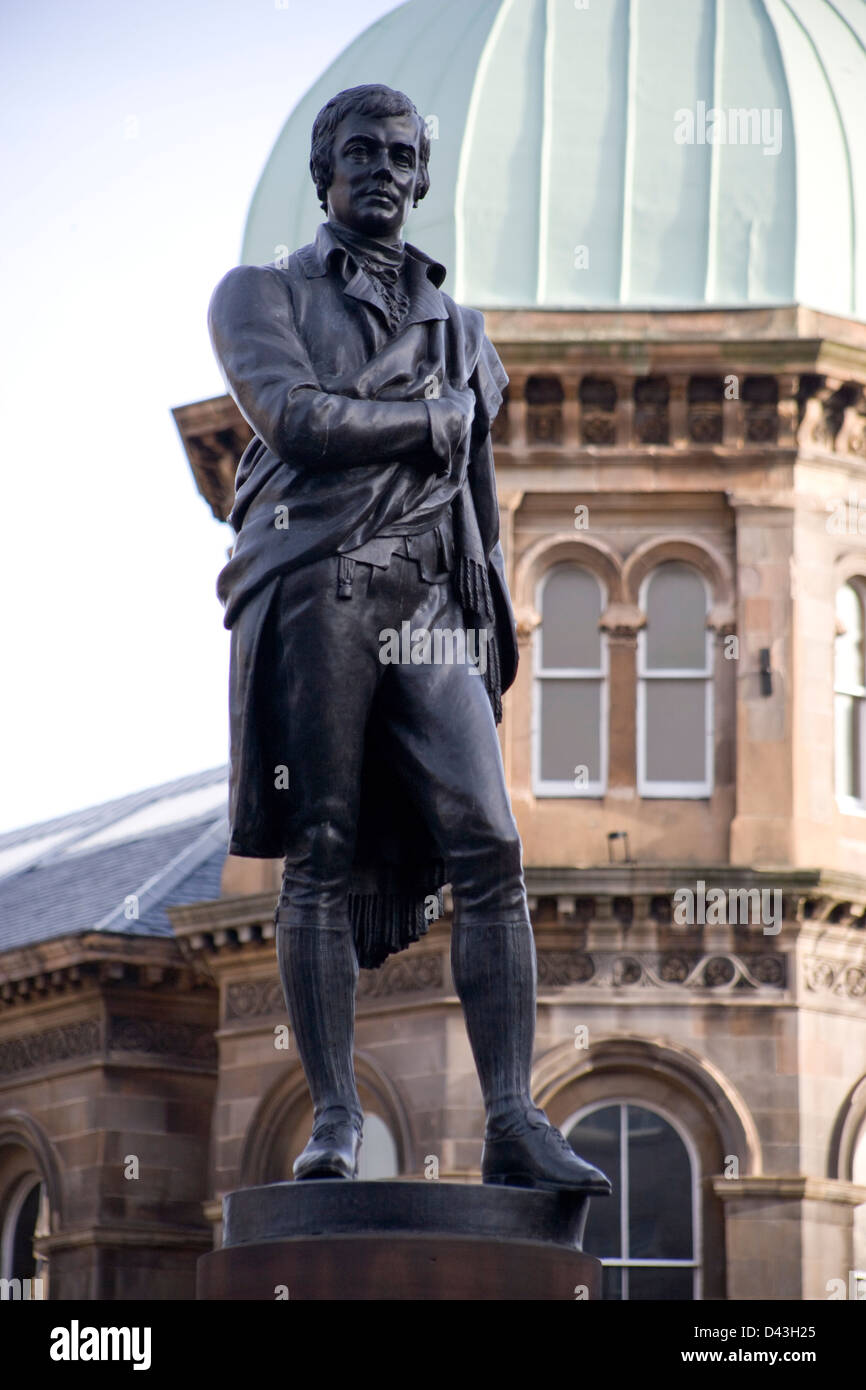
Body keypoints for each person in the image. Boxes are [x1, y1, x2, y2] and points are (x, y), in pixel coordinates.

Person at [207, 83, 610, 1195]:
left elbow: (478, 507)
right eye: (358, 153)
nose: (380, 170)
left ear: (421, 176)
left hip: (429, 600)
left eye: (399, 154)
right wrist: (429, 420)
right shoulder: (259, 294)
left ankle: (511, 1117)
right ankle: (333, 1115)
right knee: (320, 853)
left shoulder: (461, 328)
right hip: (316, 584)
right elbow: (292, 418)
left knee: (489, 843)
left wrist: (488, 638)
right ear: (323, 172)